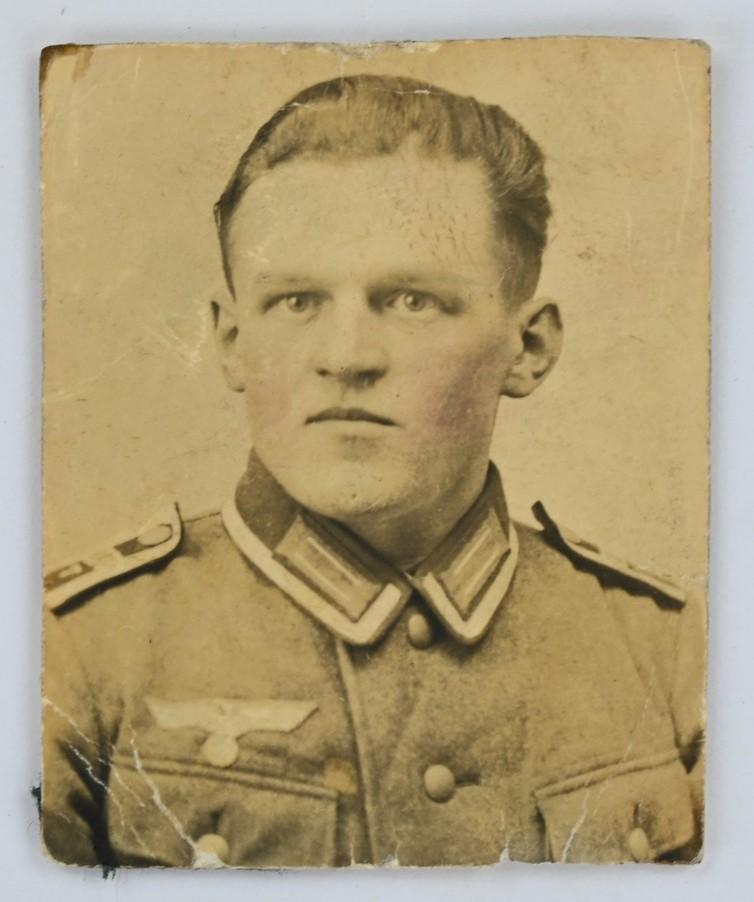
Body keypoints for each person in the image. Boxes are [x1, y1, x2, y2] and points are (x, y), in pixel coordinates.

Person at [42, 74, 705, 868]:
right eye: (296, 301)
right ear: (231, 342)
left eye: (412, 300)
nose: (347, 357)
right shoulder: (74, 651)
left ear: (528, 348)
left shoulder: (668, 651)